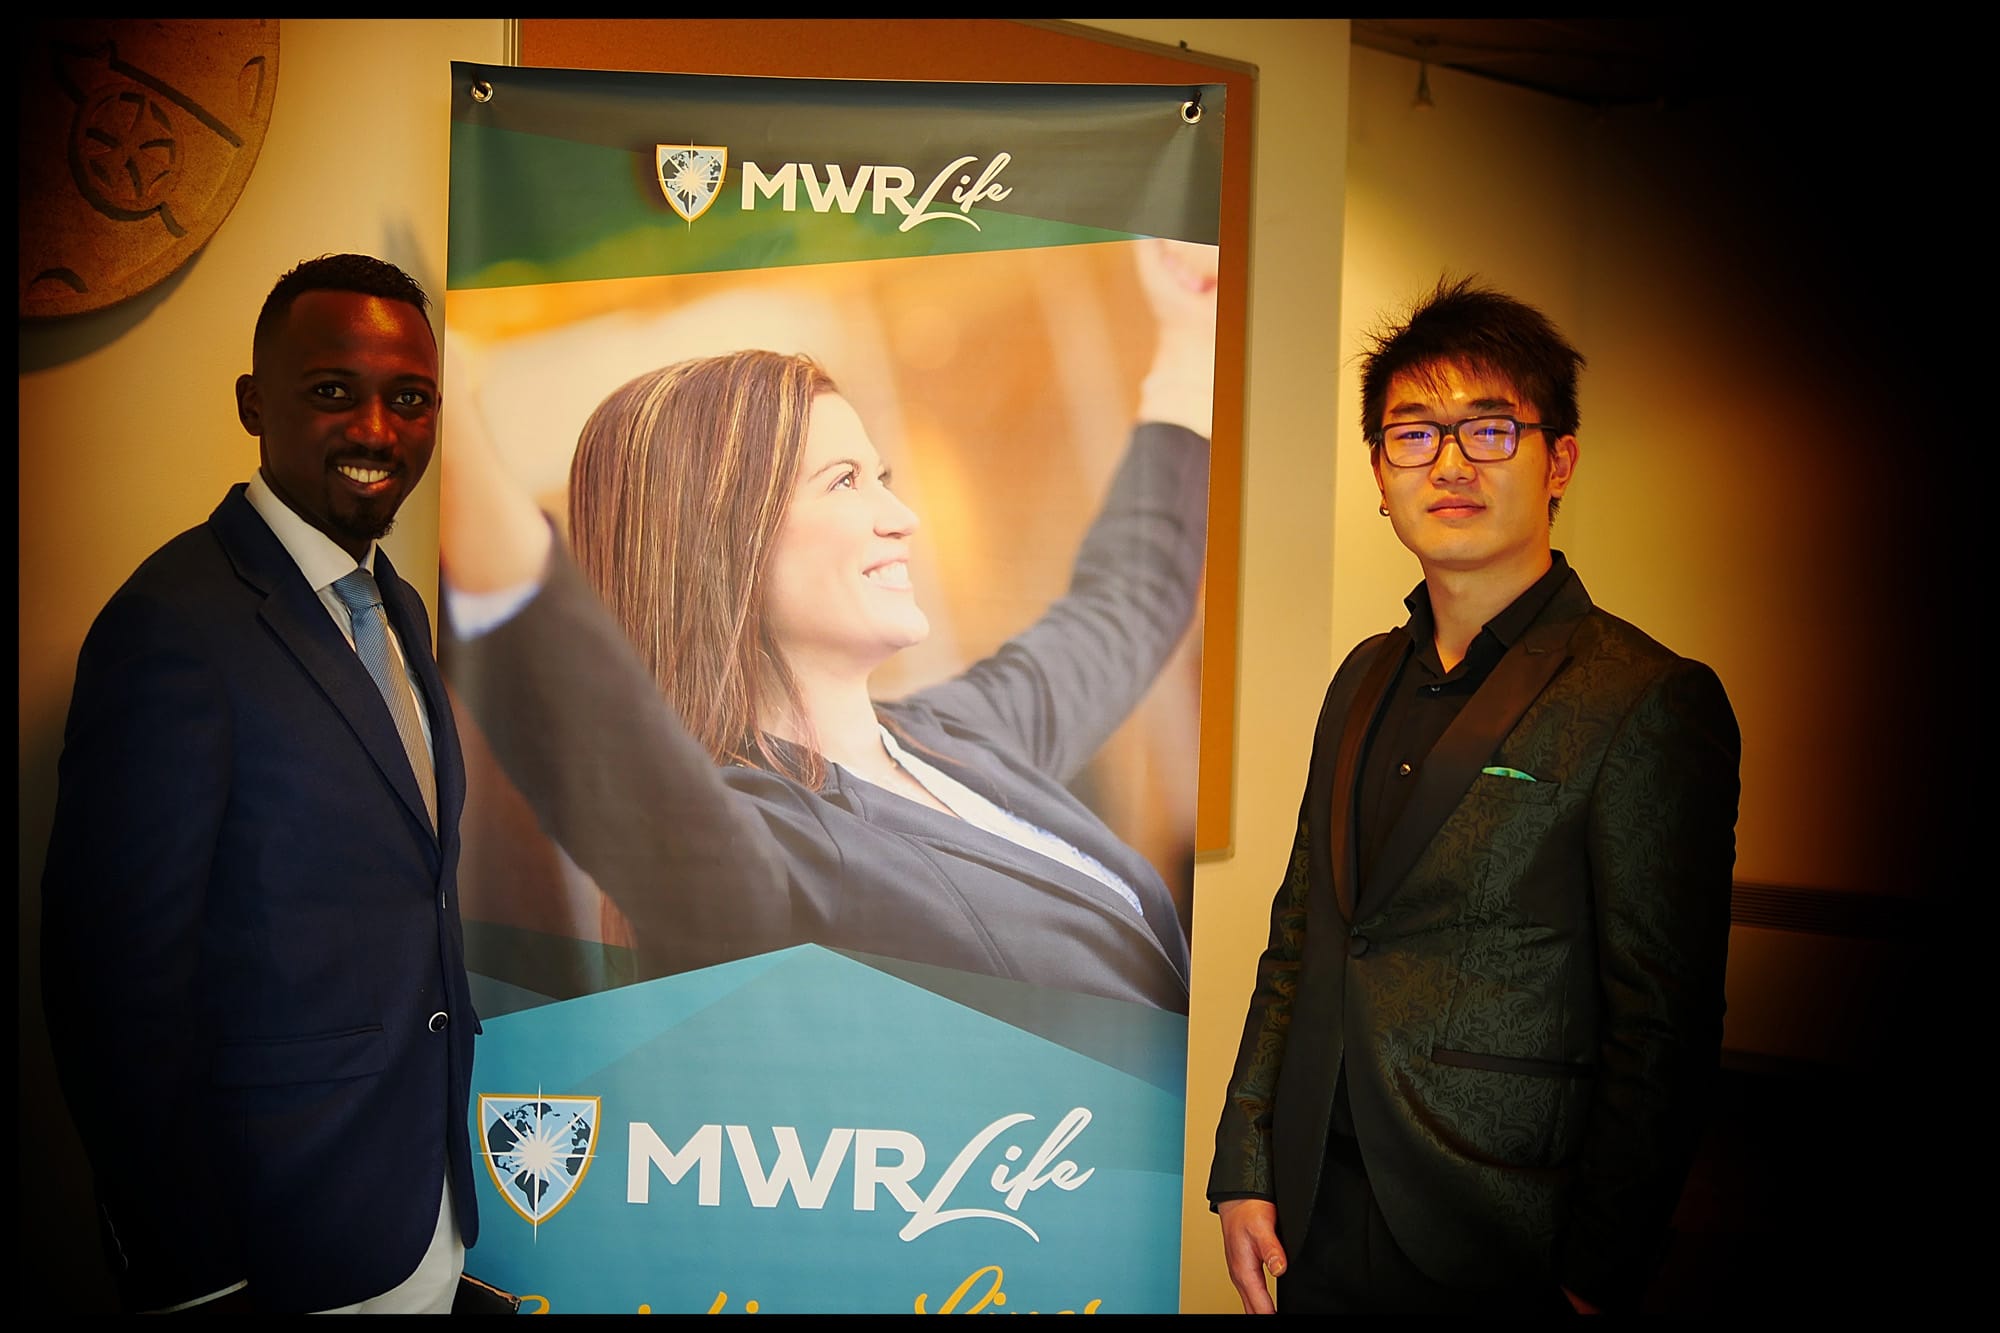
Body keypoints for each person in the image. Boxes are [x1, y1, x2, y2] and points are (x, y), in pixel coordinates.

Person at [438, 238, 1216, 1014]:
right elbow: (596, 731)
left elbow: (1126, 600)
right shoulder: (761, 853)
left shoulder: (961, 736)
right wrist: (454, 442)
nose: (902, 516)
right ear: (722, 543)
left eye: (881, 476)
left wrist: (1190, 331)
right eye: (844, 481)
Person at [1207, 277, 1740, 1314]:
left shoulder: (1642, 698)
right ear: (1379, 472)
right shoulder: (1362, 675)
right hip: (1313, 1205)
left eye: (1489, 429)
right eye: (1412, 434)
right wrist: (1245, 1161)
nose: (1448, 463)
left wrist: (1597, 1271)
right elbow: (1303, 933)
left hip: (1502, 1224)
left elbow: (1664, 1025)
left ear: (1559, 461)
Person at [40, 254, 482, 1313]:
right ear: (254, 403)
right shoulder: (173, 625)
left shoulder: (398, 608)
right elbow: (111, 988)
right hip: (271, 1242)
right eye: (333, 390)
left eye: (409, 399)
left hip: (418, 1205)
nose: (377, 430)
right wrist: (198, 1276)